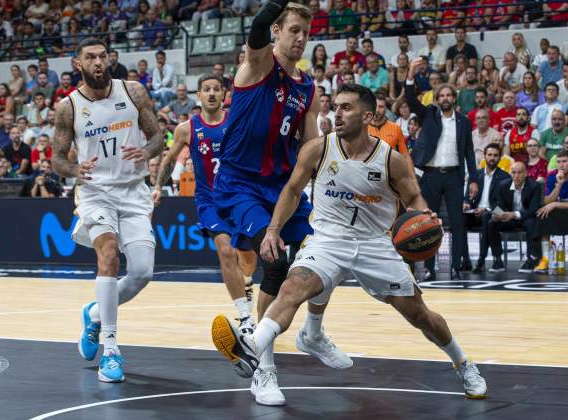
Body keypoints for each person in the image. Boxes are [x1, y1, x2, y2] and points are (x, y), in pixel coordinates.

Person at [211, 84, 488, 401]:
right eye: (336, 107)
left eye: (346, 108)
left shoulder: (391, 160)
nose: (337, 114)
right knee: (292, 287)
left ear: (367, 115)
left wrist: (425, 217)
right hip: (328, 239)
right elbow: (290, 190)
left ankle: (463, 363)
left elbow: (413, 197)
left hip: (374, 243)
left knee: (419, 315)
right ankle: (253, 347)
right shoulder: (318, 149)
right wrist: (273, 228)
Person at [211, 2, 350, 406]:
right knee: (274, 262)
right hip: (240, 185)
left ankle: (313, 332)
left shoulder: (308, 88)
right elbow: (255, 26)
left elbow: (308, 145)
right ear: (276, 31)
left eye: (306, 33)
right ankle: (264, 370)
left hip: (282, 186)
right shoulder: (256, 65)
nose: (300, 39)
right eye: (293, 30)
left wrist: (330, 172)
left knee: (329, 251)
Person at [51, 37, 164, 383]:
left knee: (143, 272)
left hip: (133, 192)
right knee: (109, 253)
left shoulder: (133, 92)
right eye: (91, 57)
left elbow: (159, 135)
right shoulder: (68, 107)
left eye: (102, 56)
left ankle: (96, 312)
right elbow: (56, 159)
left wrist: (147, 152)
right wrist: (74, 170)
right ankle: (111, 350)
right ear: (78, 64)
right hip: (96, 193)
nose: (98, 62)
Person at [152, 75, 258, 336]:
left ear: (224, 94)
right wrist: (157, 185)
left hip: (240, 196)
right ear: (198, 94)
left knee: (247, 258)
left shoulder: (236, 120)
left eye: (216, 89)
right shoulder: (187, 128)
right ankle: (245, 318)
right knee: (225, 250)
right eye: (206, 89)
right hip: (210, 200)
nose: (211, 94)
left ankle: (246, 281)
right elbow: (168, 161)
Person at [406, 57, 478, 281]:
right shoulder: (429, 114)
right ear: (436, 100)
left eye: (449, 95)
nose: (445, 98)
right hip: (431, 175)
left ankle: (456, 266)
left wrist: (474, 179)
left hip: (454, 176)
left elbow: (469, 153)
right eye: (442, 96)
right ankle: (428, 267)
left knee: (457, 222)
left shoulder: (464, 122)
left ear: (454, 98)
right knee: (429, 224)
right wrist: (410, 74)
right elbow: (411, 101)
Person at [533, 150, 568, 275]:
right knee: (542, 213)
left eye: (564, 161)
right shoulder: (552, 175)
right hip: (561, 209)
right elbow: (547, 201)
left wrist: (556, 204)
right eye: (558, 162)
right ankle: (545, 259)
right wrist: (559, 185)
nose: (561, 165)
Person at [462, 143, 511, 273]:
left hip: (497, 212)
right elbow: (468, 197)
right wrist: (466, 203)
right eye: (489, 155)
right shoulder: (475, 176)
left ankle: (481, 259)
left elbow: (504, 205)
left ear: (500, 158)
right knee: (459, 219)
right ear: (484, 156)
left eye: (495, 155)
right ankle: (465, 259)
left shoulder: (505, 177)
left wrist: (487, 209)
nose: (492, 158)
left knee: (487, 217)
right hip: (475, 212)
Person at [489, 161, 543, 273]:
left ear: (525, 173)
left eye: (519, 172)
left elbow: (533, 209)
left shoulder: (534, 186)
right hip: (508, 218)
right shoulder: (503, 185)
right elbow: (497, 205)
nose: (516, 176)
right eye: (513, 172)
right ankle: (497, 260)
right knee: (491, 223)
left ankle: (531, 260)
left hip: (526, 217)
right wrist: (498, 214)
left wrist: (514, 214)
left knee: (532, 223)